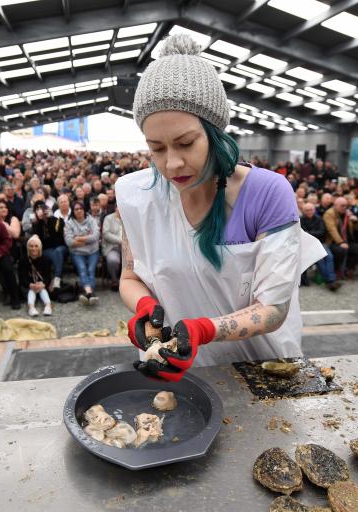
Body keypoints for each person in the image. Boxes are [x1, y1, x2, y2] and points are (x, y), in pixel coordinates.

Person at [116, 34, 324, 381]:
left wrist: (202, 331)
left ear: (215, 133)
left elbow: (273, 308)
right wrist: (145, 309)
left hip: (261, 369)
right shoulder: (136, 195)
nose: (172, 164)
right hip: (178, 368)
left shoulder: (266, 193)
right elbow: (130, 275)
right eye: (157, 148)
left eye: (186, 143)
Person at [65, 200, 100, 305]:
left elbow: (95, 236)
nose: (79, 211)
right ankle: (90, 293)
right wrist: (87, 240)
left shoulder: (92, 220)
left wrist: (78, 238)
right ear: (73, 211)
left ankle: (88, 292)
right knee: (82, 269)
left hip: (93, 251)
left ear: (84, 210)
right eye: (76, 209)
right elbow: (69, 242)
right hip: (77, 252)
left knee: (91, 269)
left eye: (81, 208)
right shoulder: (69, 223)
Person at [323, 197, 358, 279]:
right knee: (340, 250)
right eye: (342, 206)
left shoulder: (347, 213)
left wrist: (355, 221)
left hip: (347, 240)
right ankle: (337, 269)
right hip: (333, 241)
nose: (344, 208)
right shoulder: (329, 214)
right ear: (335, 205)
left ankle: (348, 268)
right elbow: (332, 230)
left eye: (346, 206)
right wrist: (340, 242)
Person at [299, 202, 340, 291]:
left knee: (329, 256)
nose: (309, 212)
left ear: (314, 210)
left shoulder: (319, 219)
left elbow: (322, 232)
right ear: (303, 211)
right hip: (307, 244)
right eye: (307, 210)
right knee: (319, 258)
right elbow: (301, 234)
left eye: (311, 210)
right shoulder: (300, 220)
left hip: (320, 242)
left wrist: (309, 233)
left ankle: (330, 280)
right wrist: (313, 234)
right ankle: (331, 281)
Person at [28, 200, 68, 290]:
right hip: (47, 249)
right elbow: (39, 239)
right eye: (38, 209)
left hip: (60, 247)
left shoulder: (57, 221)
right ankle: (57, 279)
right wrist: (40, 221)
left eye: (43, 208)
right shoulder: (36, 224)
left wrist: (51, 219)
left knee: (57, 251)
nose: (41, 211)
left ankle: (56, 277)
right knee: (55, 254)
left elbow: (57, 236)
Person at [18, 235, 53, 317]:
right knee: (32, 290)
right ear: (28, 247)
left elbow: (48, 275)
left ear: (40, 247)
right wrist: (30, 285)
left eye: (36, 246)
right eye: (31, 246)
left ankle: (48, 306)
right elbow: (21, 277)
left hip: (41, 284)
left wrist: (43, 284)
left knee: (42, 289)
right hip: (29, 285)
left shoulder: (45, 259)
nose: (33, 248)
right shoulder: (23, 260)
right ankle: (31, 307)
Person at [101, 208, 122, 291]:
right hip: (113, 247)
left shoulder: (128, 218)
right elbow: (106, 234)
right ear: (116, 208)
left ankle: (131, 282)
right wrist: (121, 241)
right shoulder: (108, 218)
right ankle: (115, 281)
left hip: (128, 249)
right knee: (112, 260)